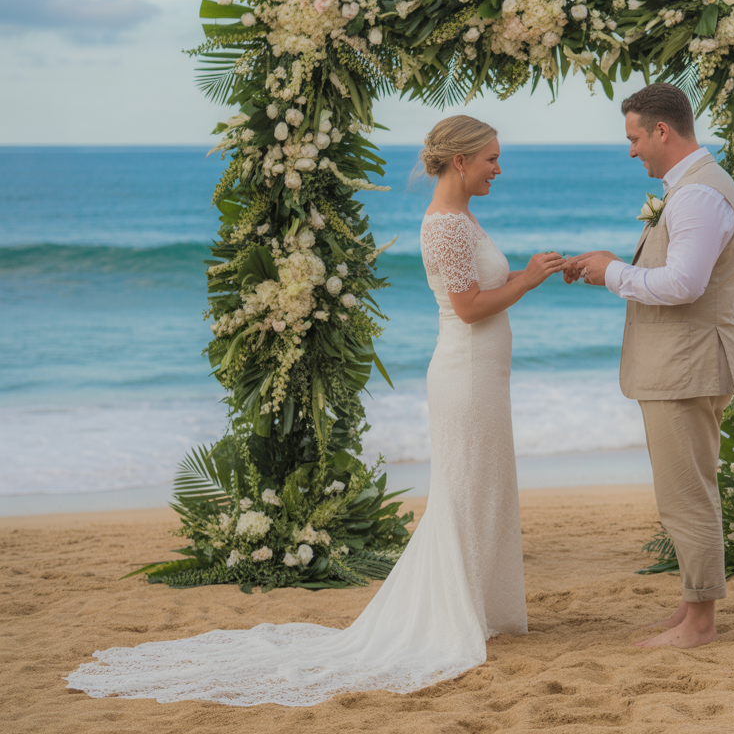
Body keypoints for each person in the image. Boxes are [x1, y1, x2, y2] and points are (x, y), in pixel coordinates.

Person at [66, 116, 565, 705]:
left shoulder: (462, 219)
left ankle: (481, 605)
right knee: (464, 490)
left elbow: (482, 283)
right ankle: (452, 614)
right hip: (465, 375)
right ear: (461, 161)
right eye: (491, 159)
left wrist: (536, 269)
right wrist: (528, 280)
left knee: (484, 487)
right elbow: (470, 306)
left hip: (484, 374)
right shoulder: (443, 226)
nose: (498, 169)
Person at [567, 83, 734, 649]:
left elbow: (684, 284)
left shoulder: (696, 196)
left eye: (634, 137)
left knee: (687, 494)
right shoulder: (692, 189)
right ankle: (691, 605)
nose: (631, 151)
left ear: (662, 132)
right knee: (685, 488)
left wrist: (613, 272)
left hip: (687, 367)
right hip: (683, 365)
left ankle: (700, 625)